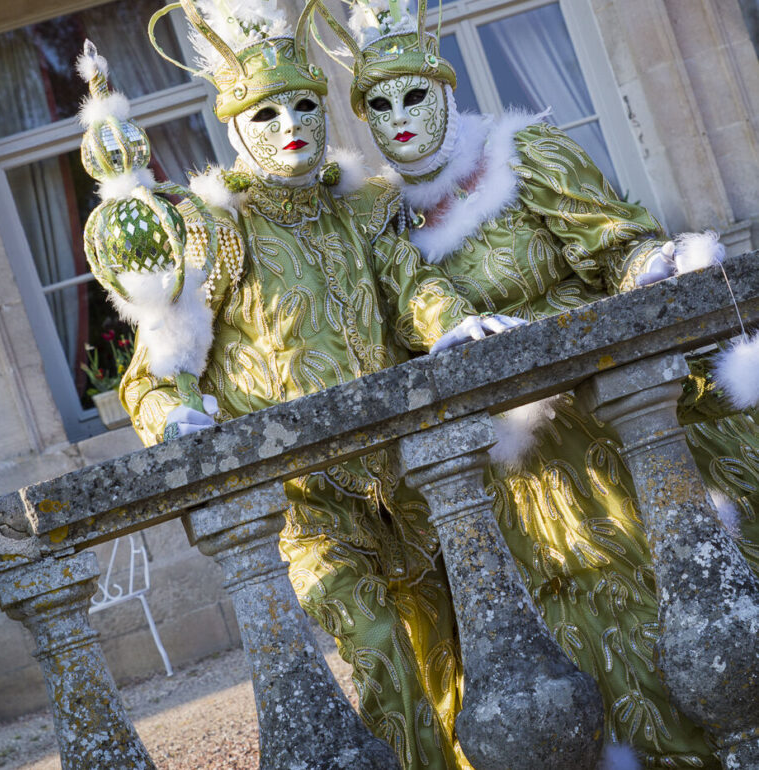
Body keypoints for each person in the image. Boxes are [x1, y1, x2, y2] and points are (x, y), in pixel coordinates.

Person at [310, 0, 759, 765]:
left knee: (680, 571)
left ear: (445, 89)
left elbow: (610, 242)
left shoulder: (520, 154)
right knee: (579, 615)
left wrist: (648, 263)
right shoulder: (381, 225)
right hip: (521, 474)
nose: (400, 118)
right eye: (377, 106)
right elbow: (398, 311)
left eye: (414, 95)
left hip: (614, 415)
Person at [79, 1, 515, 767]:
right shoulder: (220, 230)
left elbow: (410, 286)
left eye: (307, 106)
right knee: (382, 659)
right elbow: (160, 365)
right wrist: (178, 420)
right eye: (267, 112)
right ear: (235, 126)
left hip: (409, 480)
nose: (291, 125)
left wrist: (452, 323)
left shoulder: (359, 209)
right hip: (309, 507)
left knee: (471, 648)